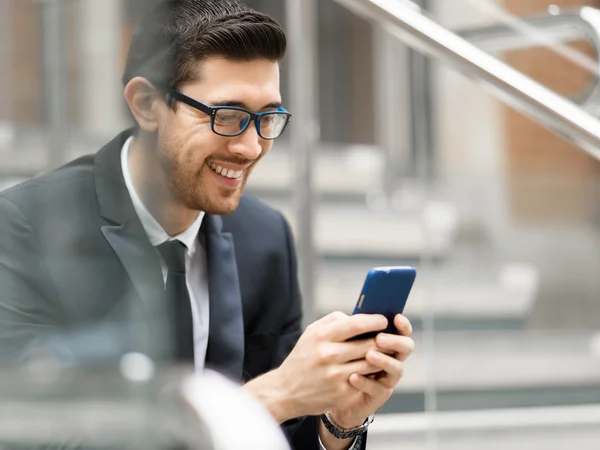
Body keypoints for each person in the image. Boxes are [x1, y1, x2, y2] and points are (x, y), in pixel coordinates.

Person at [0, 1, 415, 449]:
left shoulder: (265, 239)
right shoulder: (26, 226)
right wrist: (269, 397)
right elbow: (34, 435)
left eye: (267, 117)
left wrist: (336, 422)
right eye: (229, 116)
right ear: (146, 104)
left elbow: (277, 435)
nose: (251, 147)